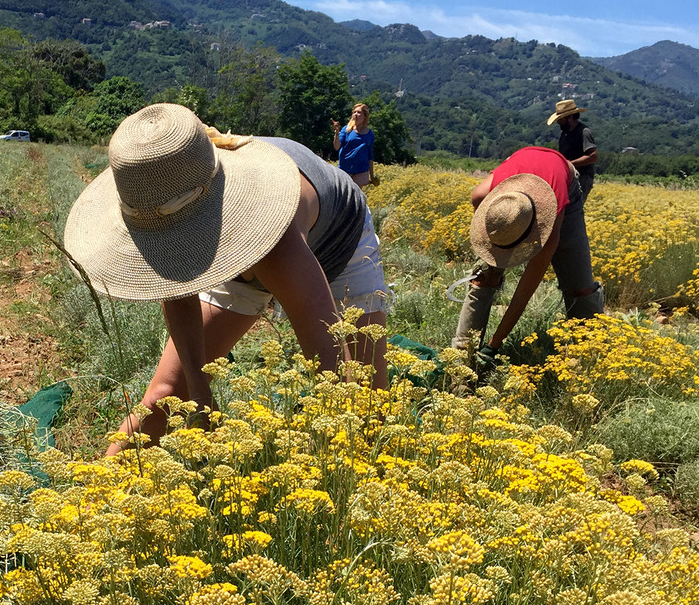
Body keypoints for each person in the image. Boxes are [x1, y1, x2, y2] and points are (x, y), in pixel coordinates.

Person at [63, 103, 391, 453]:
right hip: (239, 231)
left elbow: (329, 358)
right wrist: (200, 392)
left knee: (363, 407)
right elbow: (178, 294)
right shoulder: (170, 187)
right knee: (168, 395)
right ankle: (98, 491)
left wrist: (336, 475)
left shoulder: (272, 238)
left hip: (339, 243)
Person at [451, 144, 603, 367]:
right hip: (520, 166)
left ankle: (591, 353)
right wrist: (493, 260)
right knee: (483, 277)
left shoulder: (550, 230)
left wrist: (493, 346)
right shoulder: (481, 197)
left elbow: (524, 292)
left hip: (563, 181)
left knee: (578, 286)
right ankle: (461, 357)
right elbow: (484, 214)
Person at [549, 99, 597, 200]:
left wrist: (570, 164)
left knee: (575, 209)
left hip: (582, 177)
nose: (558, 122)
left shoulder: (584, 132)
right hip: (568, 177)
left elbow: (592, 156)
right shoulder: (565, 133)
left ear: (569, 117)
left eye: (561, 119)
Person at [331, 103, 375, 187]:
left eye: (359, 112)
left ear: (365, 116)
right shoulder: (347, 129)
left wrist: (372, 176)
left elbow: (370, 155)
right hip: (345, 169)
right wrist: (337, 133)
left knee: (355, 197)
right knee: (343, 195)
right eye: (354, 112)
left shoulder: (369, 134)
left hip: (361, 171)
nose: (355, 114)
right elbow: (337, 147)